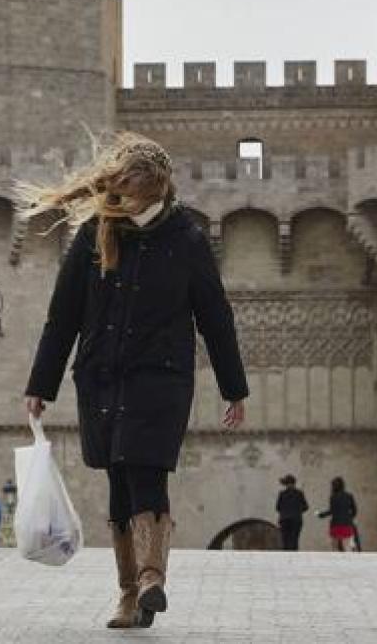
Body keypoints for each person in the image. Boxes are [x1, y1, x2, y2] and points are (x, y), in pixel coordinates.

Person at [21, 133, 249, 630]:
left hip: (160, 381)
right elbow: (63, 317)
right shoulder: (95, 235)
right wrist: (42, 384)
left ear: (158, 190)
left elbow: (215, 316)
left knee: (145, 468)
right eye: (121, 189)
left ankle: (149, 577)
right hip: (101, 377)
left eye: (135, 192)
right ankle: (131, 592)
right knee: (119, 476)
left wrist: (234, 388)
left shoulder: (186, 239)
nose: (126, 200)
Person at [317, 477, 359, 552]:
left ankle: (336, 562)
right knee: (347, 547)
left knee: (335, 547)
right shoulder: (349, 496)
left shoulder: (333, 497)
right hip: (346, 524)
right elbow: (354, 510)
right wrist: (349, 517)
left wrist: (321, 515)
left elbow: (331, 511)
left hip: (335, 524)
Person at [275, 475, 309, 551]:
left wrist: (285, 511)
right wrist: (298, 510)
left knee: (285, 540)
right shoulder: (299, 493)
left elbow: (277, 507)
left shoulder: (282, 494)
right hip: (296, 519)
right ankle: (294, 555)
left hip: (284, 519)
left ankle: (286, 556)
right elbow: (306, 507)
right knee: (294, 539)